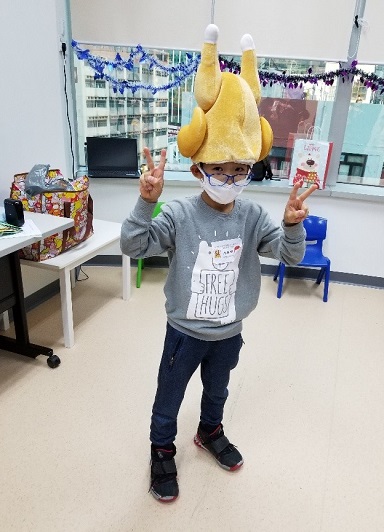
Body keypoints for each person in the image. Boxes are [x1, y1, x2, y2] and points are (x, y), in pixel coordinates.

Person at [120, 24, 317, 504]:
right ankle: (162, 448)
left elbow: (291, 255)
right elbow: (132, 245)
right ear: (199, 169)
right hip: (184, 330)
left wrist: (292, 224)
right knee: (169, 397)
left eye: (240, 170)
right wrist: (147, 202)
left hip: (229, 331)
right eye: (220, 170)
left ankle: (210, 431)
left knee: (218, 391)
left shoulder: (251, 216)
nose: (230, 179)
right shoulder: (183, 214)